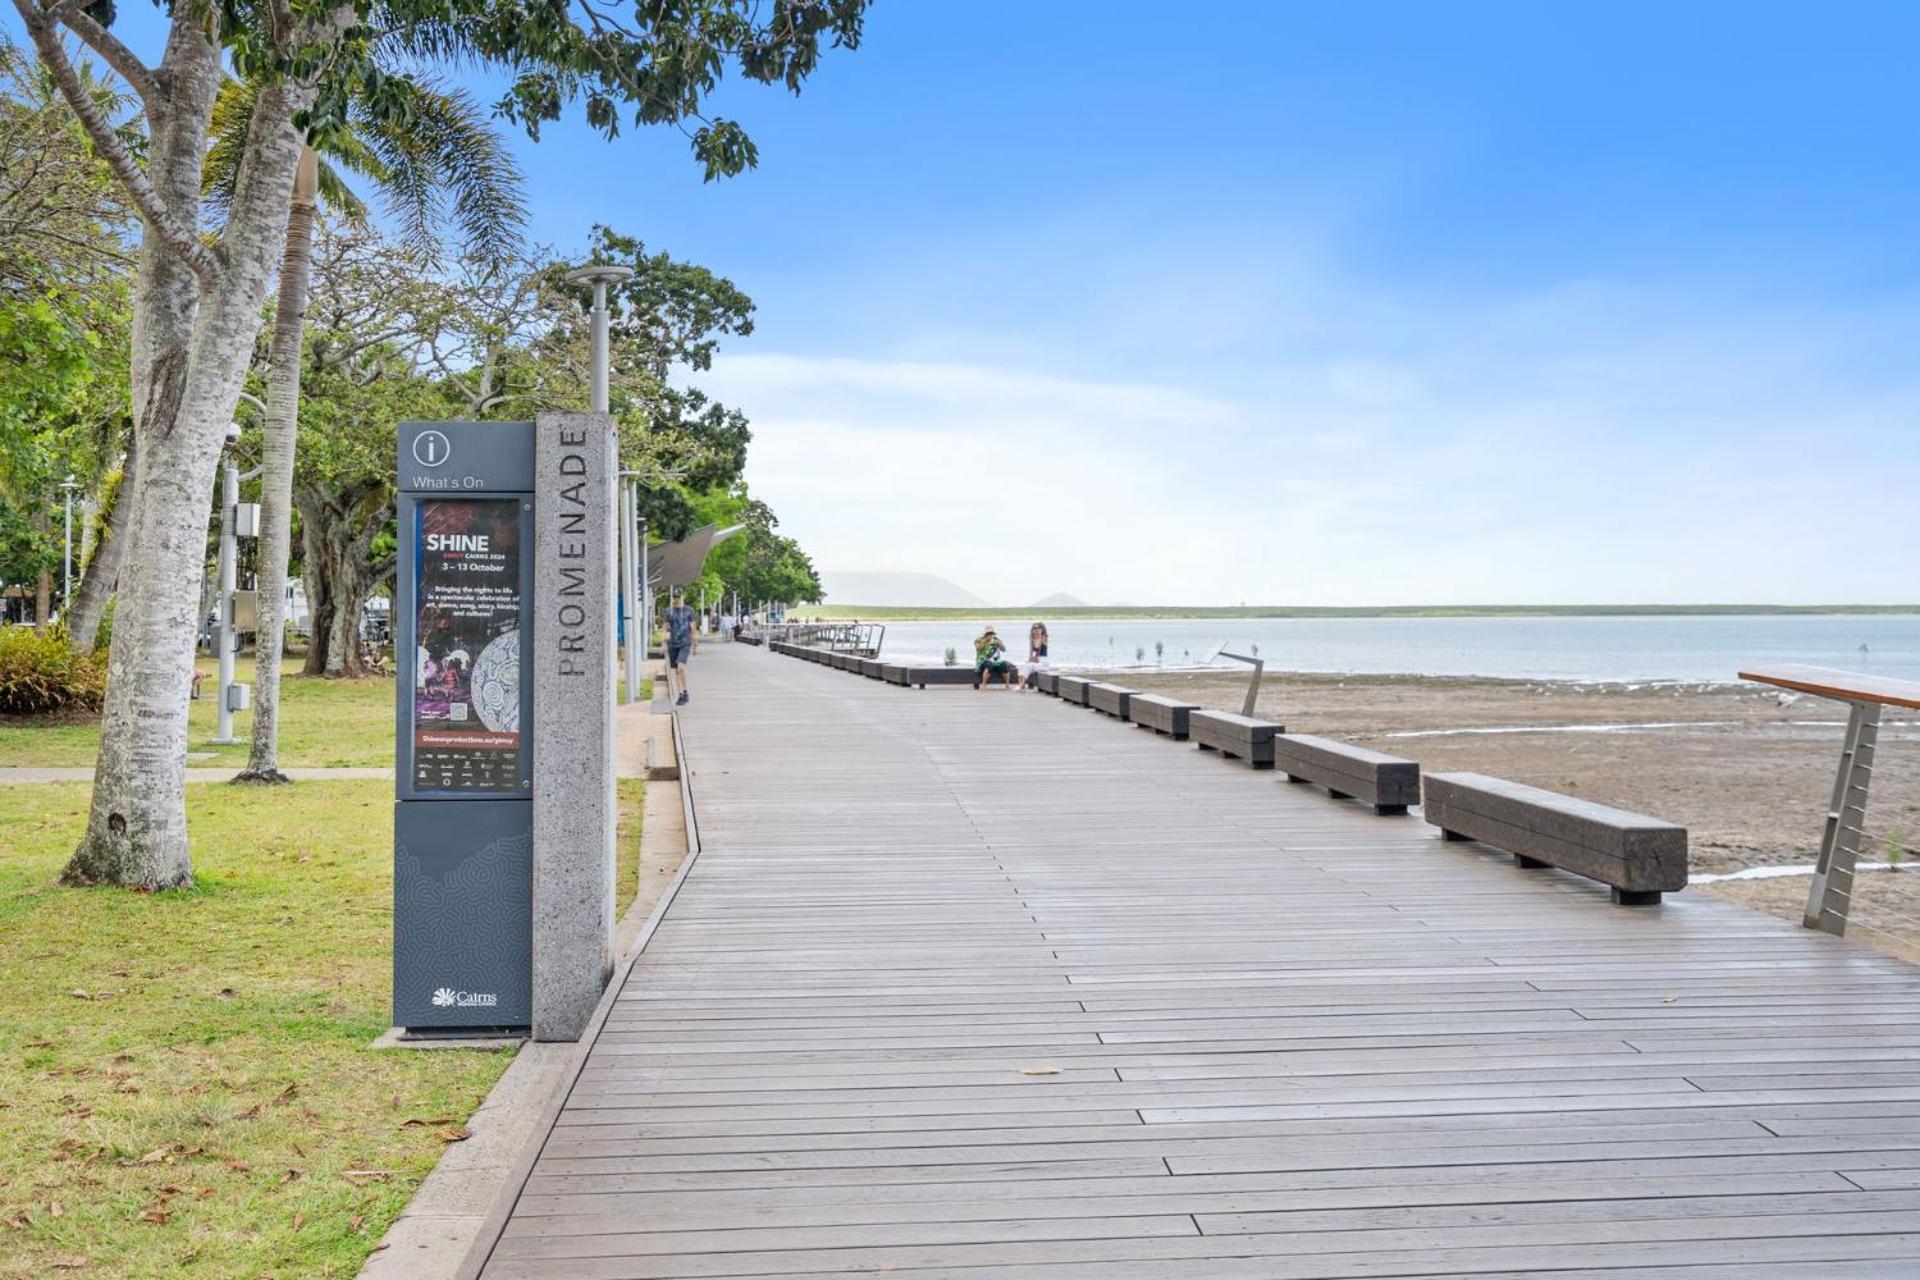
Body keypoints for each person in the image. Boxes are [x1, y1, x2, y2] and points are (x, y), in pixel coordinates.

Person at [665, 587, 698, 705]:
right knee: (676, 671)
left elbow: (693, 629)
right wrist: (663, 644)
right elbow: (666, 628)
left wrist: (695, 645)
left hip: (685, 643)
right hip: (673, 644)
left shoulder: (689, 611)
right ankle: (681, 694)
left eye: (678, 596)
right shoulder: (669, 611)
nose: (677, 599)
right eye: (675, 597)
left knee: (681, 667)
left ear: (682, 597)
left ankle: (685, 692)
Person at [973, 625, 1017, 689]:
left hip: (996, 660)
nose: (990, 635)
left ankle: (1007, 684)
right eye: (988, 633)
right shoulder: (979, 640)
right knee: (989, 665)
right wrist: (985, 641)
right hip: (983, 660)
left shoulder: (996, 639)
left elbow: (1004, 649)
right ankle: (984, 684)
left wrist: (999, 643)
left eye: (991, 633)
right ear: (985, 634)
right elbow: (979, 648)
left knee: (1004, 665)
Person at [1023, 621, 1051, 690]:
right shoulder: (1032, 639)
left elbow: (1040, 646)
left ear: (1042, 629)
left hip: (1043, 660)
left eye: (1038, 628)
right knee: (1025, 665)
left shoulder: (1044, 637)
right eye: (1034, 628)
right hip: (1036, 659)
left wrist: (1039, 635)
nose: (1036, 629)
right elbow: (1030, 653)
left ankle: (1022, 685)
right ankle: (1027, 684)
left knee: (1029, 666)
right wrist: (1031, 658)